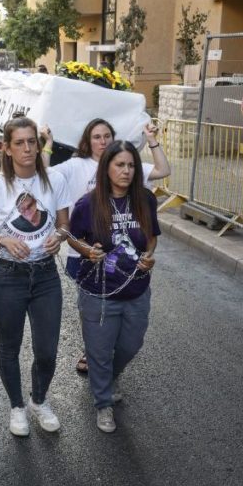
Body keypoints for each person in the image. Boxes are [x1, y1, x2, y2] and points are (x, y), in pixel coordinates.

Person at [50, 119, 169, 373]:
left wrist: (152, 140)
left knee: (121, 319)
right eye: (96, 136)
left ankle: (103, 354)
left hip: (122, 256)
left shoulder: (123, 161)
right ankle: (93, 347)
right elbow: (46, 175)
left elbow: (163, 170)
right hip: (82, 251)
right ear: (86, 141)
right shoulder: (76, 165)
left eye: (107, 136)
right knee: (91, 304)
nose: (102, 141)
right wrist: (46, 146)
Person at [0, 117, 71, 437]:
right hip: (6, 277)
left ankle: (39, 400)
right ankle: (17, 406)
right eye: (19, 143)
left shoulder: (54, 180)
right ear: (6, 148)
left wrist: (59, 237)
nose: (27, 148)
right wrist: (3, 240)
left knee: (47, 349)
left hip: (45, 276)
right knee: (9, 347)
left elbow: (64, 224)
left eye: (32, 141)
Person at [66, 141, 159, 433]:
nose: (126, 171)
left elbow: (152, 235)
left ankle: (107, 377)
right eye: (120, 165)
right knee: (99, 349)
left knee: (131, 344)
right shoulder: (88, 203)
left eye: (131, 165)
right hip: (98, 292)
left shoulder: (145, 198)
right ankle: (103, 402)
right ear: (106, 168)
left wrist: (148, 256)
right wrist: (86, 251)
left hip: (136, 289)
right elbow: (72, 237)